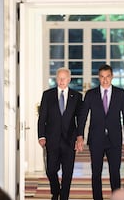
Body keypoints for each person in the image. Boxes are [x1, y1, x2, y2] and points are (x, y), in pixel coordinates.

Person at [77, 64, 124, 200]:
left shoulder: (120, 94)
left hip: (114, 139)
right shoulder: (91, 94)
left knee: (115, 172)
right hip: (96, 139)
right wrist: (80, 136)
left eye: (108, 77)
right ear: (98, 78)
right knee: (96, 173)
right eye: (102, 77)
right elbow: (83, 116)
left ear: (112, 77)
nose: (105, 80)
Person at [37, 67, 83, 200]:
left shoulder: (77, 96)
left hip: (70, 140)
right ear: (56, 79)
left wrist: (79, 137)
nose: (62, 80)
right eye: (59, 78)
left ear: (69, 79)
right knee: (51, 169)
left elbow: (80, 119)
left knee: (68, 172)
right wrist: (41, 136)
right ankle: (56, 190)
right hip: (52, 139)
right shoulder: (47, 95)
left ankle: (64, 197)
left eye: (64, 78)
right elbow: (42, 118)